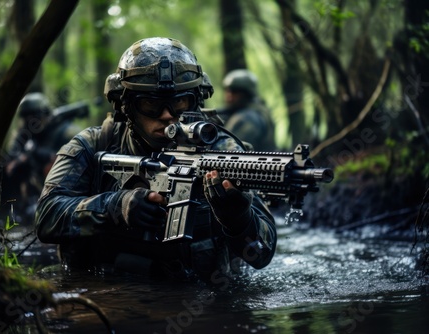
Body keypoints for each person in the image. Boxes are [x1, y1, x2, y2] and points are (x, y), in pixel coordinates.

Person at [35, 37, 277, 281]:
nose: (167, 116)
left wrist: (239, 219)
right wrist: (114, 207)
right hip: (108, 298)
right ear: (126, 106)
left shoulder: (221, 150)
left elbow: (261, 255)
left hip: (200, 300)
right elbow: (46, 218)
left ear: (196, 101)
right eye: (151, 104)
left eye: (180, 103)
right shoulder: (93, 145)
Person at [3, 92, 81, 222]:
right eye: (26, 119)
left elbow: (75, 164)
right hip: (34, 192)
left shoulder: (66, 132)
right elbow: (11, 161)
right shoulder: (26, 135)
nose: (30, 123)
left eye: (34, 117)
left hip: (65, 193)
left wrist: (41, 155)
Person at [217, 69, 276, 151]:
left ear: (246, 94)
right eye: (228, 91)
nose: (229, 96)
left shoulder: (247, 118)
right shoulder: (259, 111)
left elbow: (230, 151)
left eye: (235, 91)